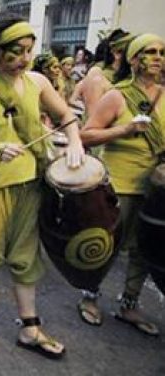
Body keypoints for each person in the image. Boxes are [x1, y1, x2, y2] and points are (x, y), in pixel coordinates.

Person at [0, 18, 84, 358]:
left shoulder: (38, 82)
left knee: (26, 258)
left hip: (30, 183)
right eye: (16, 52)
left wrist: (74, 142)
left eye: (28, 50)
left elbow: (66, 114)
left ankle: (30, 328)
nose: (24, 58)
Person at [79, 33, 164, 336]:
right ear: (133, 59)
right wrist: (125, 129)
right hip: (121, 183)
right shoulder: (117, 95)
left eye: (161, 52)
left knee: (144, 249)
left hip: (154, 188)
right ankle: (90, 296)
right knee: (109, 244)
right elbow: (86, 135)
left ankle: (129, 303)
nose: (158, 57)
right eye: (150, 52)